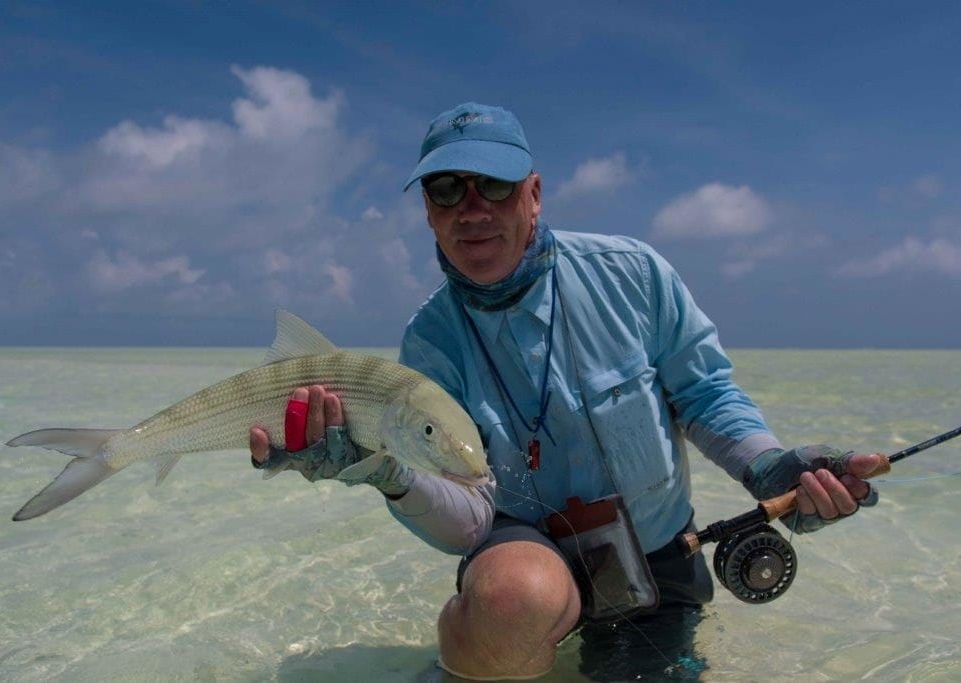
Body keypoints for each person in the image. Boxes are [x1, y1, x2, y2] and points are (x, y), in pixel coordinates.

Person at [248, 102, 884, 680]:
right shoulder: (430, 342)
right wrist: (381, 472)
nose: (472, 209)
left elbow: (705, 395)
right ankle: (472, 652)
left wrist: (769, 467)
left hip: (658, 555)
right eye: (447, 190)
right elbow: (466, 513)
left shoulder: (632, 274)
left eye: (494, 185)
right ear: (428, 212)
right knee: (508, 605)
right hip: (523, 552)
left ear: (534, 194)